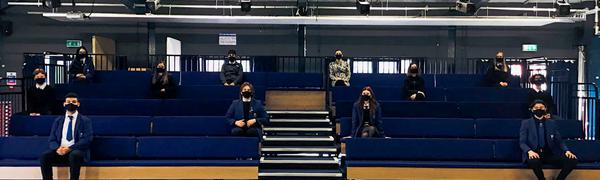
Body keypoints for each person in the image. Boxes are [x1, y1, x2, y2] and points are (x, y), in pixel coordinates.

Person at [40, 93, 93, 180]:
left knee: (74, 155)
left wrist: (69, 148)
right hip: (60, 150)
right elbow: (52, 139)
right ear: (64, 104)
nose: (71, 104)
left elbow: (87, 139)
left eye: (73, 102)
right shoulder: (58, 120)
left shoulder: (85, 120)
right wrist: (57, 148)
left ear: (78, 104)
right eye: (68, 102)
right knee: (45, 156)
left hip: (76, 151)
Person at [520, 100, 577, 180]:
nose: (539, 109)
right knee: (534, 161)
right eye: (536, 108)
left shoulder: (551, 123)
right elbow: (522, 142)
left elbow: (559, 140)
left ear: (545, 109)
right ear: (532, 109)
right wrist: (529, 151)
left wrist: (566, 151)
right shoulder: (526, 123)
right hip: (534, 152)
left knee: (572, 160)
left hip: (549, 153)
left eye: (541, 107)